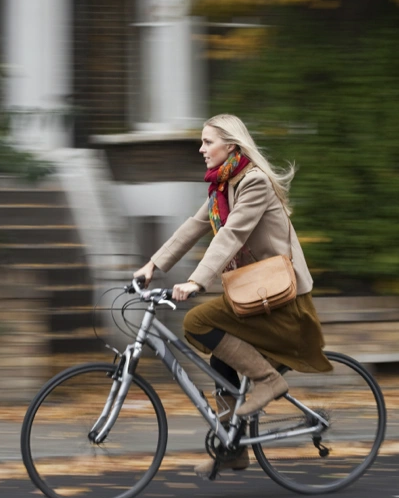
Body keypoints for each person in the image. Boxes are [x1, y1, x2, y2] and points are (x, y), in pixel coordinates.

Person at [132, 114, 332, 477]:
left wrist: (195, 282)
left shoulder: (253, 182)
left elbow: (232, 236)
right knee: (221, 358)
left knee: (197, 321)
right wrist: (152, 265)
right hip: (255, 292)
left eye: (208, 142)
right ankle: (233, 448)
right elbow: (193, 227)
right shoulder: (222, 187)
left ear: (231, 146)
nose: (201, 148)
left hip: (280, 298)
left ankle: (269, 380)